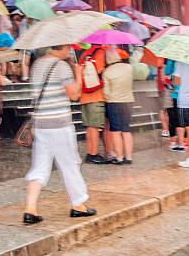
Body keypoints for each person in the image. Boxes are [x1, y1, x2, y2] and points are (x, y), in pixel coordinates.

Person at [23, 45, 96, 225]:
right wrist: (78, 73)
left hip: (41, 124)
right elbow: (74, 94)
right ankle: (78, 205)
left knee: (39, 167)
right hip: (59, 124)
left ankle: (30, 209)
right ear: (61, 47)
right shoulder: (61, 66)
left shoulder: (37, 65)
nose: (69, 52)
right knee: (70, 163)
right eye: (68, 48)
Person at [102, 48, 134, 165]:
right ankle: (128, 156)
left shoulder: (107, 72)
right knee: (126, 129)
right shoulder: (128, 67)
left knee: (115, 130)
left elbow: (106, 92)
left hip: (113, 102)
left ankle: (119, 157)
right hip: (128, 101)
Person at [78, 45, 109, 164]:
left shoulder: (85, 53)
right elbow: (100, 70)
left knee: (89, 127)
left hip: (84, 96)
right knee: (94, 127)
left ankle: (90, 153)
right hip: (95, 94)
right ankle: (94, 154)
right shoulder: (99, 52)